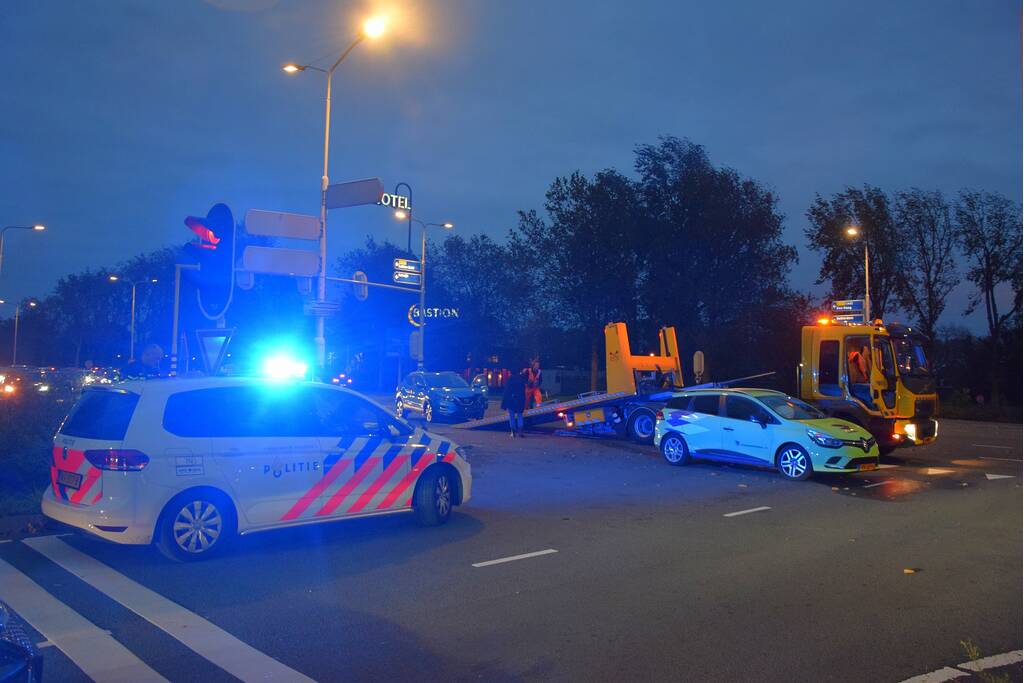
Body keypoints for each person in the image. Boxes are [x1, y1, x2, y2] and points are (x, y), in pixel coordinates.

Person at [501, 368, 527, 438]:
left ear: (511, 373)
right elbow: (524, 392)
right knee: (520, 416)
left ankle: (513, 432)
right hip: (520, 401)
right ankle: (520, 432)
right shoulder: (521, 380)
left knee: (511, 417)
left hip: (511, 401)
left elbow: (506, 392)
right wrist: (524, 402)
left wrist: (504, 404)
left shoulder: (509, 380)